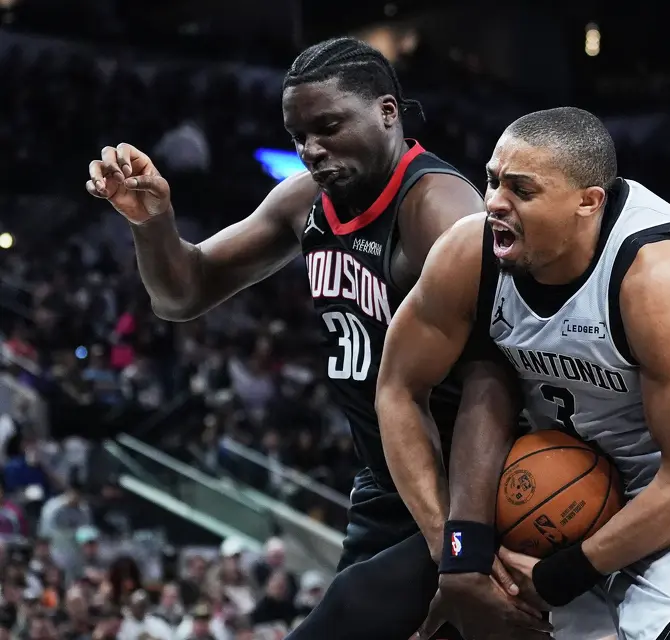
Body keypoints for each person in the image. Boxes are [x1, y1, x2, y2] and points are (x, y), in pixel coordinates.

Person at [84, 36, 538, 640]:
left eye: (328, 126)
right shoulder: (307, 202)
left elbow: (497, 380)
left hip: (467, 486)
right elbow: (182, 293)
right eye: (300, 136)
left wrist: (461, 547)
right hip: (385, 483)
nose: (312, 150)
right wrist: (153, 224)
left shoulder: (439, 212)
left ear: (387, 112)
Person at [376, 107, 670, 639]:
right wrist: (456, 551)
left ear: (588, 202)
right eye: (493, 181)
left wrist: (558, 577)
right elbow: (398, 388)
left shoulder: (657, 278)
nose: (495, 203)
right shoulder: (467, 252)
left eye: (521, 191)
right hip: (567, 498)